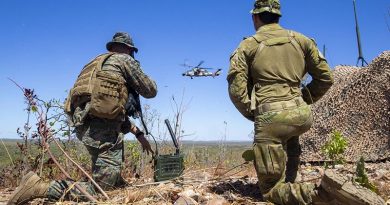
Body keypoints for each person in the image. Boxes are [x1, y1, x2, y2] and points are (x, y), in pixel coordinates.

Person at [227, 0, 385, 204]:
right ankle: (298, 188)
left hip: (271, 117)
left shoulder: (248, 45)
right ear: (278, 16)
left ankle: (323, 195)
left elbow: (236, 91)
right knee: (289, 148)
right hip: (300, 116)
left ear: (255, 17)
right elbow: (326, 78)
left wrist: (253, 113)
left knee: (270, 192)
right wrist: (303, 99)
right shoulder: (301, 41)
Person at [8, 32, 157, 204]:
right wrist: (136, 68)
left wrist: (138, 134)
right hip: (102, 129)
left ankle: (112, 182)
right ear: (129, 50)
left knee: (112, 180)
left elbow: (108, 109)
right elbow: (150, 90)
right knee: (102, 191)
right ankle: (38, 187)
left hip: (86, 126)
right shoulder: (124, 60)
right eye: (132, 53)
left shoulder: (96, 63)